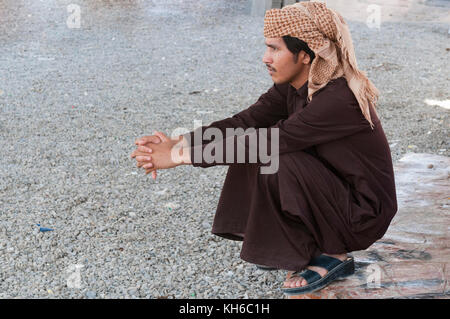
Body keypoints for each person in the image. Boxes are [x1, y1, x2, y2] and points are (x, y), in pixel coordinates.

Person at [130, 2, 397, 295]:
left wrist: (179, 158)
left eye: (275, 49)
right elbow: (244, 122)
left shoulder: (338, 97)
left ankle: (334, 254)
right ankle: (285, 240)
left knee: (269, 152)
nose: (265, 58)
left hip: (360, 215)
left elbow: (268, 142)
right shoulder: (295, 85)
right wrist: (180, 142)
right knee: (248, 143)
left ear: (306, 54)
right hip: (334, 192)